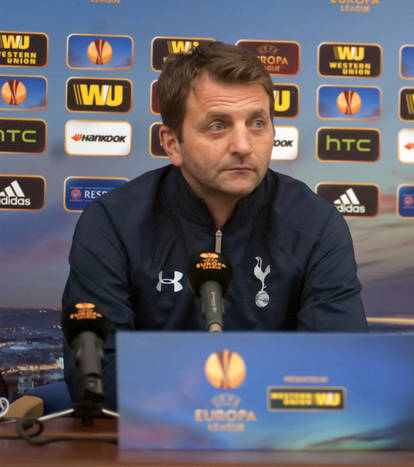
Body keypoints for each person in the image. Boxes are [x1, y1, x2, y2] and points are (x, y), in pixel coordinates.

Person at [62, 41, 367, 410]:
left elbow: (340, 369)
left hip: (278, 438)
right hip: (151, 439)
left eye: (257, 123)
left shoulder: (316, 224)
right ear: (172, 143)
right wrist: (263, 383)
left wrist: (193, 384)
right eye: (218, 126)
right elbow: (97, 379)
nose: (243, 145)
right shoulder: (112, 223)